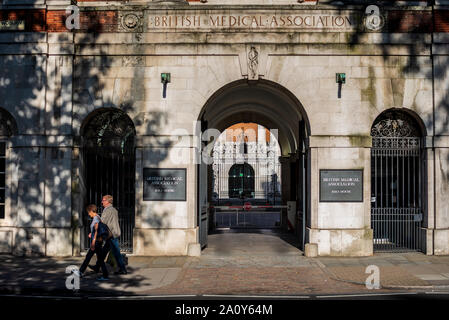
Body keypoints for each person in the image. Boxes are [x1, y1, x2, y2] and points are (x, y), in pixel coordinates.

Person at [90, 195, 127, 275]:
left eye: (103, 200)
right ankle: (97, 266)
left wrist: (94, 231)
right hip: (113, 233)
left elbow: (103, 222)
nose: (102, 202)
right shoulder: (114, 210)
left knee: (116, 252)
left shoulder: (107, 210)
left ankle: (123, 269)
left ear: (108, 201)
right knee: (104, 252)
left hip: (111, 234)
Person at [75, 204, 109, 281]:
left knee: (90, 257)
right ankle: (104, 274)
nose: (88, 214)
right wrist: (91, 233)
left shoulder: (96, 219)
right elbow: (96, 230)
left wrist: (93, 242)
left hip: (96, 242)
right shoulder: (98, 217)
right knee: (96, 258)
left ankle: (81, 272)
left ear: (91, 211)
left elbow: (97, 231)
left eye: (88, 212)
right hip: (97, 242)